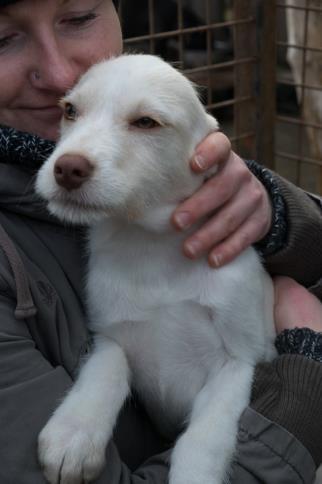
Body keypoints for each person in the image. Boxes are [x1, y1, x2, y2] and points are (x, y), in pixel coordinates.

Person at [0, 0, 322, 483]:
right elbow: (116, 341)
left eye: (81, 17)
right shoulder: (92, 244)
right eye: (2, 39)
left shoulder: (233, 210)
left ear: (207, 148)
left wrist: (284, 215)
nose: (58, 71)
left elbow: (240, 358)